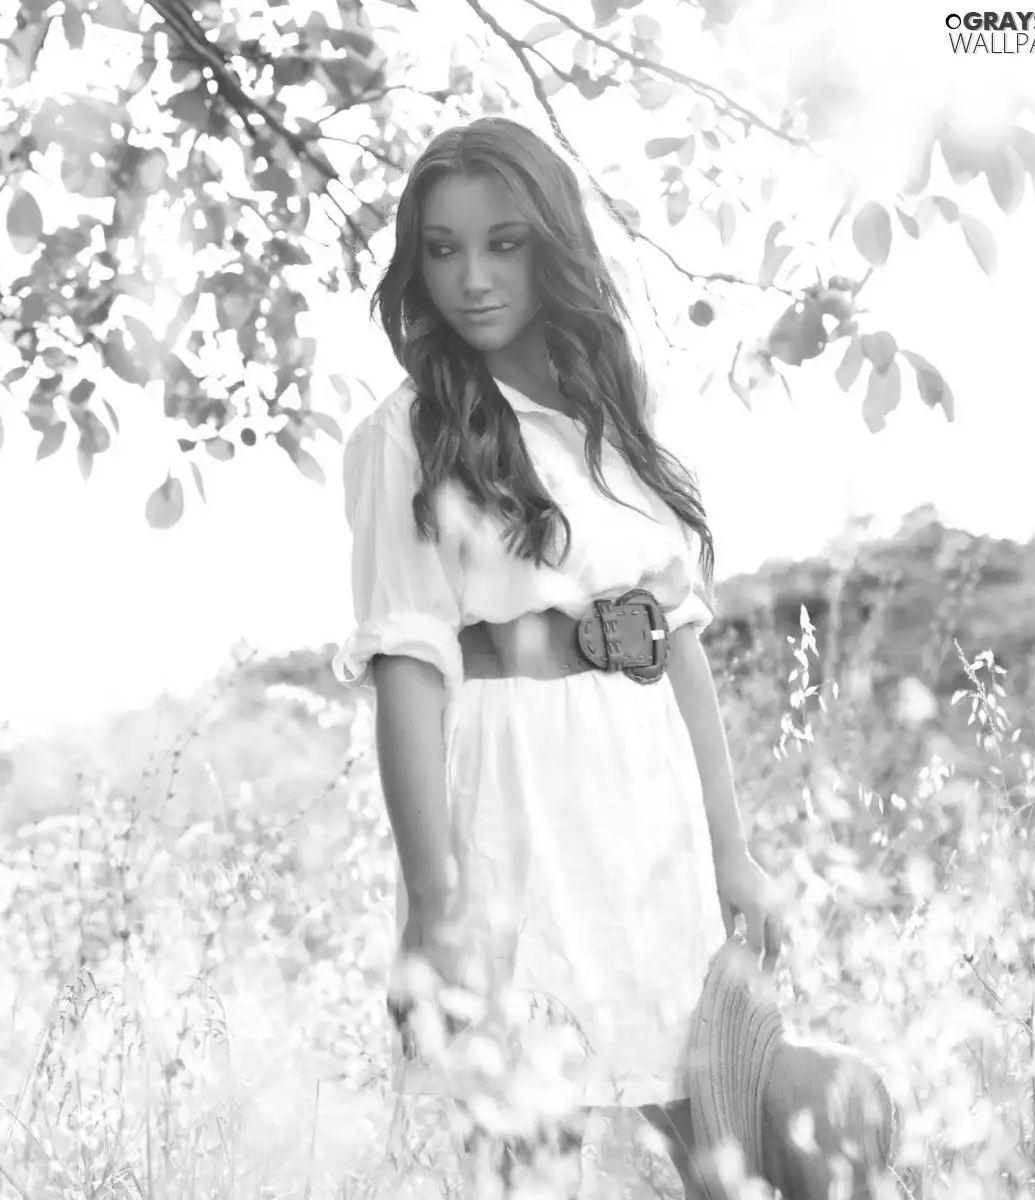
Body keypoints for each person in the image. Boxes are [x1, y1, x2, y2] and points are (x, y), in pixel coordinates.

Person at [330, 115, 789, 1196]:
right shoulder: (407, 434)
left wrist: (734, 855)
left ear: (554, 247)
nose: (472, 279)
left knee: (713, 1148)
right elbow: (407, 673)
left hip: (648, 802)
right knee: (527, 1160)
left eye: (504, 243)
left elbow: (676, 649)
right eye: (441, 249)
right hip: (512, 806)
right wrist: (434, 906)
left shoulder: (616, 417)